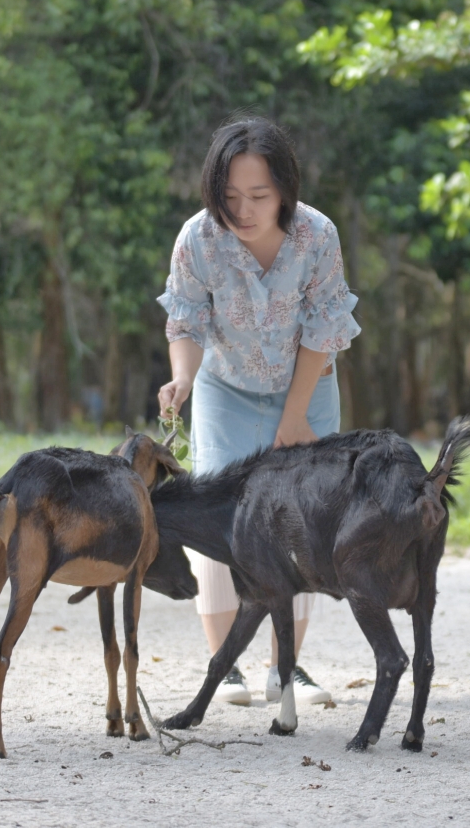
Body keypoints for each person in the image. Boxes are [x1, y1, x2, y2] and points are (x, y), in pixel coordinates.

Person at [156, 116, 358, 710]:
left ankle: (285, 668)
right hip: (226, 389)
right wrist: (183, 377)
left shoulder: (317, 236)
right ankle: (228, 669)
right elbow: (187, 321)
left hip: (308, 384)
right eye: (230, 197)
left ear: (285, 190)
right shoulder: (197, 239)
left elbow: (325, 327)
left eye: (259, 196)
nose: (243, 210)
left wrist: (295, 418)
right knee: (225, 519)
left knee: (302, 520)